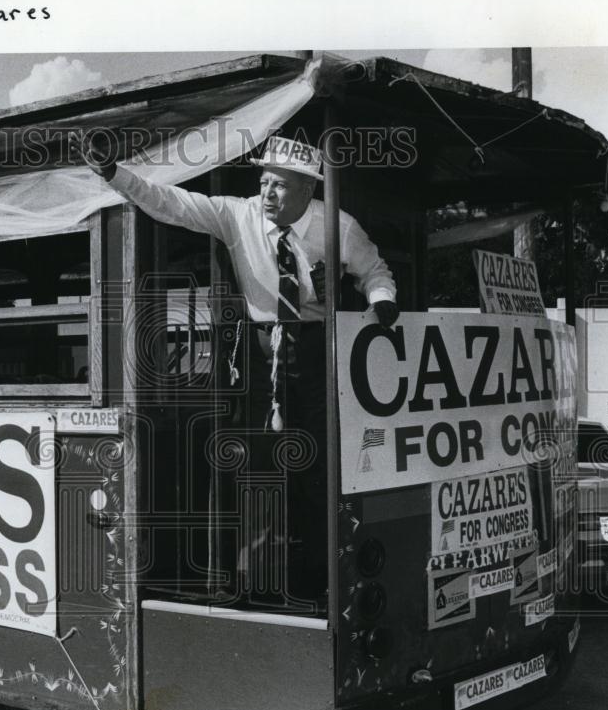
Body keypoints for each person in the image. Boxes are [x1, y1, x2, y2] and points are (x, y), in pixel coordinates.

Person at [72, 132, 399, 606]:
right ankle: (244, 582)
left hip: (317, 352)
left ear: (308, 191)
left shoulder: (338, 226)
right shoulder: (237, 214)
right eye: (264, 182)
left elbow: (375, 271)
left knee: (318, 469)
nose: (267, 193)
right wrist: (113, 174)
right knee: (248, 462)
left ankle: (318, 583)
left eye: (280, 186)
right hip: (258, 350)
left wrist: (381, 301)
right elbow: (172, 203)